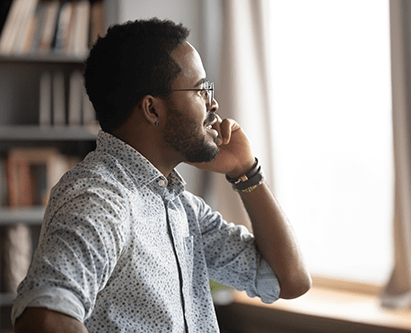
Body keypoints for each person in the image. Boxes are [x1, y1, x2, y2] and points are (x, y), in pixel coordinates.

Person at [11, 18, 311, 333]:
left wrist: (246, 173)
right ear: (152, 109)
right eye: (199, 90)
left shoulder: (181, 206)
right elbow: (44, 317)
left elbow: (288, 280)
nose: (213, 104)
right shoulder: (101, 198)